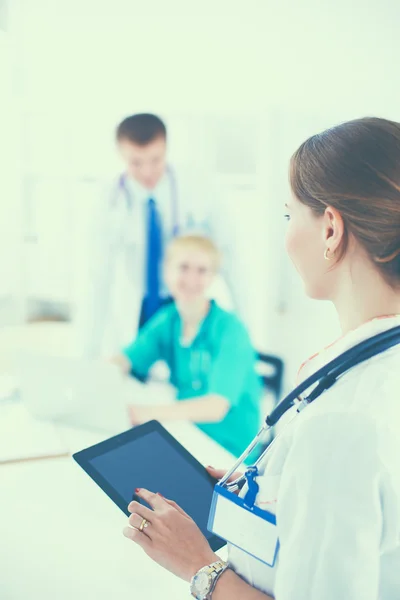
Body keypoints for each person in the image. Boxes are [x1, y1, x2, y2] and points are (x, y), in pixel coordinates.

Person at [121, 117, 400, 599]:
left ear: (331, 228)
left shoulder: (340, 424)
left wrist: (197, 565)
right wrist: (258, 490)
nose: (287, 236)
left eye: (290, 216)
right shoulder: (365, 371)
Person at [76, 113, 236, 357]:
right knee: (138, 372)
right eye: (136, 162)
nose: (147, 171)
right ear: (121, 156)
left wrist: (250, 332)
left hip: (187, 298)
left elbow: (233, 255)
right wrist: (85, 355)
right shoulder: (107, 202)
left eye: (155, 159)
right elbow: (96, 280)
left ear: (166, 149)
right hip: (139, 306)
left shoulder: (197, 185)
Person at [112, 234, 262, 460]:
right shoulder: (168, 320)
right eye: (183, 267)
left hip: (230, 453)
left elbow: (215, 407)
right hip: (187, 432)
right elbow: (126, 359)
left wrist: (144, 413)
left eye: (202, 270)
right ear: (166, 271)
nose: (191, 278)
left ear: (212, 277)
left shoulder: (231, 330)